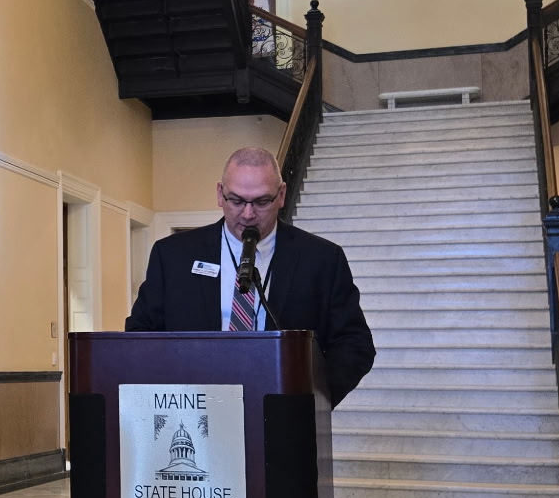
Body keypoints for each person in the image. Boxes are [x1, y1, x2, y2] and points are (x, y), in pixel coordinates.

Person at [126, 146, 375, 404]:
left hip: (280, 413)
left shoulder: (322, 259)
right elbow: (140, 334)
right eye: (236, 201)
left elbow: (354, 344)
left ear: (281, 195)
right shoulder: (172, 255)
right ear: (220, 194)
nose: (248, 214)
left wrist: (311, 401)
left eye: (261, 202)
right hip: (193, 410)